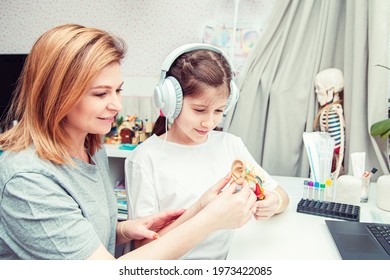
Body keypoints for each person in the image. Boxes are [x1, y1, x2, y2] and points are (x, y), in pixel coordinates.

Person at [0, 24, 257, 260]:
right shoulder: (28, 180)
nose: (117, 105)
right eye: (101, 94)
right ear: (56, 95)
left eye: (118, 90)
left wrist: (123, 230)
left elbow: (80, 234)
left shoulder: (90, 147)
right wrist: (209, 220)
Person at [125, 43, 290, 260]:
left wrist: (272, 203)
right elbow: (143, 247)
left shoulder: (230, 146)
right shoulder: (145, 159)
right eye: (199, 110)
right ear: (170, 102)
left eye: (219, 111)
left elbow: (280, 194)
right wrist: (207, 217)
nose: (209, 122)